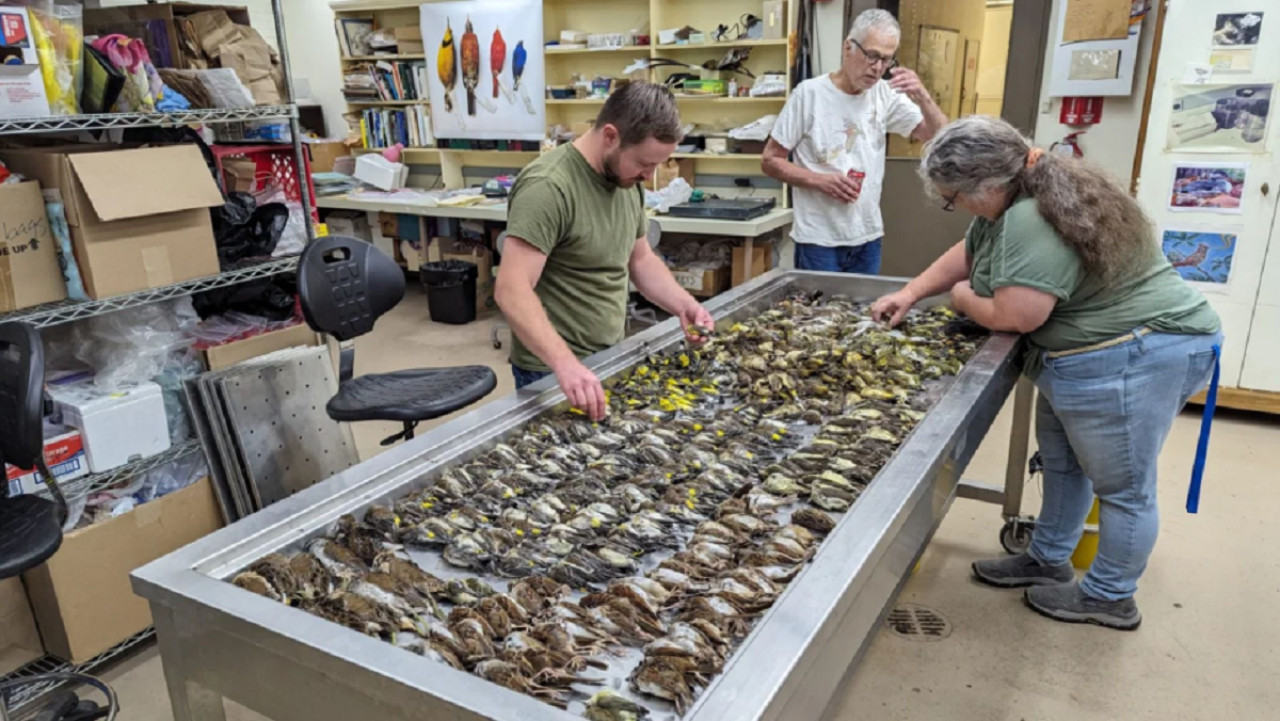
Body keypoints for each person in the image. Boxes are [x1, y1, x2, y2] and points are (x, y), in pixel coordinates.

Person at [871, 116, 1222, 631]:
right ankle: (1048, 556)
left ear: (986, 184)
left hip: (1136, 354)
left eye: (954, 198)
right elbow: (968, 252)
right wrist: (910, 292)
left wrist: (963, 299)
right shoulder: (1018, 194)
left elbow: (1018, 315)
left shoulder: (1032, 216)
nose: (955, 207)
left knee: (1123, 487)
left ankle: (1109, 597)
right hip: (1084, 358)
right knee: (1063, 464)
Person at [495, 82, 714, 420]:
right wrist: (565, 364)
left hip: (609, 356)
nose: (649, 175)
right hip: (554, 370)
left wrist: (683, 304)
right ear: (610, 136)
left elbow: (640, 260)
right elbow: (511, 290)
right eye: (644, 162)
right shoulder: (549, 187)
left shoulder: (626, 181)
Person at [763, 9, 947, 275]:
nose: (877, 68)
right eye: (872, 55)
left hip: (867, 236)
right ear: (848, 47)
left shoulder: (884, 95)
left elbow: (940, 137)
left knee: (862, 315)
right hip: (819, 239)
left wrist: (924, 98)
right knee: (817, 316)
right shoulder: (809, 95)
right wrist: (820, 180)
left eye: (886, 59)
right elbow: (770, 161)